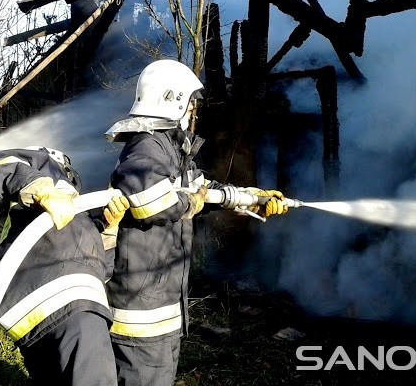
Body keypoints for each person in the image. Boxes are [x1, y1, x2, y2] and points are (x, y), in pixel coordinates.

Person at [104, 59, 289, 386]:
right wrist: (193, 201)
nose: (194, 111)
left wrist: (252, 197)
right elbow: (149, 201)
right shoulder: (147, 146)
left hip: (159, 304)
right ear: (172, 100)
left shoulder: (171, 150)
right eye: (190, 103)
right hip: (141, 312)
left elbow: (203, 190)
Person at [0, 146, 130, 386]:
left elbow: (100, 271)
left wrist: (109, 232)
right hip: (73, 308)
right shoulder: (46, 173)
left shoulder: (69, 216)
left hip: (37, 314)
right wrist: (41, 187)